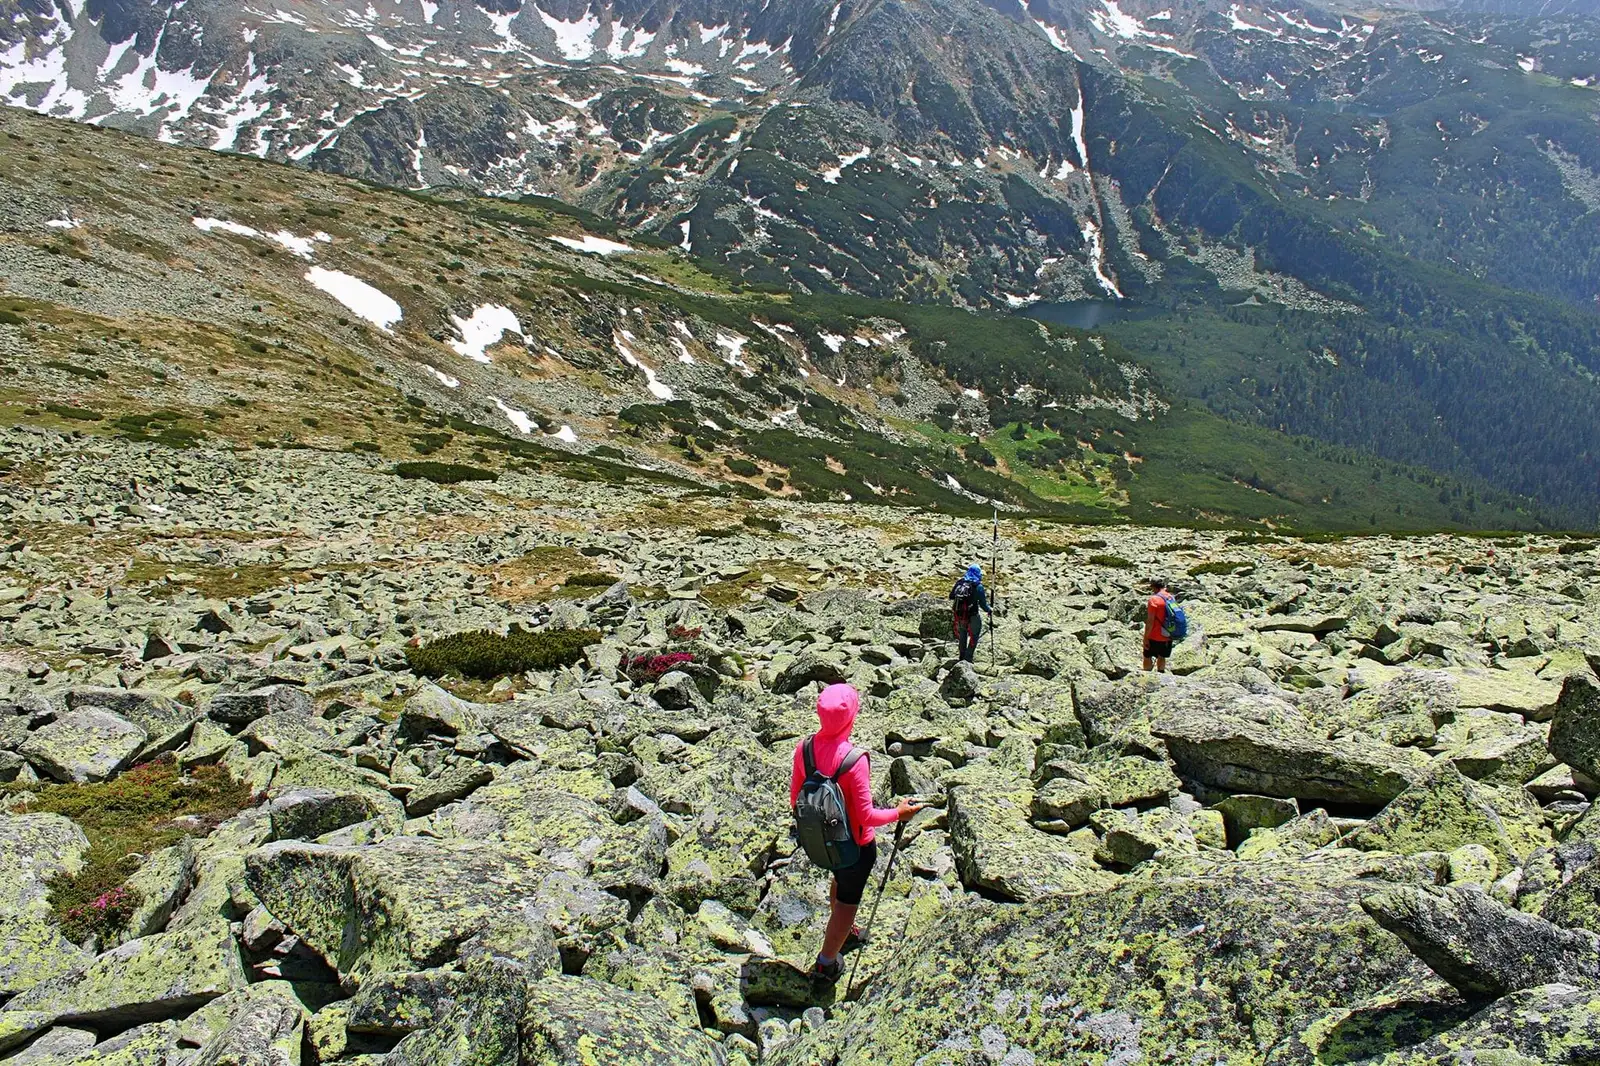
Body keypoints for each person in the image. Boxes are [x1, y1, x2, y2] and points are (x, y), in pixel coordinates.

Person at [789, 683, 922, 983]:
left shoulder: (804, 749)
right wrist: (899, 813)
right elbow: (866, 817)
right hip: (855, 847)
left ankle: (842, 930)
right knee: (849, 901)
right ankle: (827, 962)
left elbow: (795, 798)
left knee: (839, 880)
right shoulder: (854, 760)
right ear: (852, 718)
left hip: (822, 841)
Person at [949, 564, 992, 664]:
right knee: (974, 635)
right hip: (972, 615)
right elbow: (983, 605)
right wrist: (989, 610)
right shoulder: (978, 586)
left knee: (963, 634)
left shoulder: (960, 582)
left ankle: (961, 656)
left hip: (959, 614)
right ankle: (968, 658)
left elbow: (951, 596)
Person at [1143, 577, 1174, 673]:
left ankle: (1146, 674)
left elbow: (1150, 621)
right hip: (1168, 634)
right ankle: (1161, 673)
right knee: (1162, 656)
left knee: (1147, 656)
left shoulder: (1154, 600)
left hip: (1154, 635)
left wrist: (1146, 637)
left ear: (1153, 587)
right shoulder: (1170, 598)